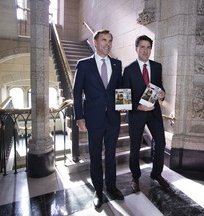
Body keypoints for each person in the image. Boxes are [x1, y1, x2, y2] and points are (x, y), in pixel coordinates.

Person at [73, 29, 124, 209]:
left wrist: (124, 106)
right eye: (104, 40)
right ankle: (98, 190)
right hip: (93, 118)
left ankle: (111, 186)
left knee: (111, 155)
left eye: (110, 41)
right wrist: (79, 116)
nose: (107, 44)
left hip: (113, 118)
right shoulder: (84, 64)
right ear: (95, 43)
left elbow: (120, 90)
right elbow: (77, 92)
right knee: (95, 155)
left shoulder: (117, 64)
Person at [122, 35, 170, 193]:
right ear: (136, 48)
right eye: (142, 47)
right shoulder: (128, 70)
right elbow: (124, 99)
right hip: (137, 113)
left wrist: (162, 93)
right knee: (135, 146)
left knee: (161, 143)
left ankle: (156, 173)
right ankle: (135, 176)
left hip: (154, 112)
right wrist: (138, 107)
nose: (145, 50)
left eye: (148, 47)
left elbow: (160, 87)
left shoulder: (157, 66)